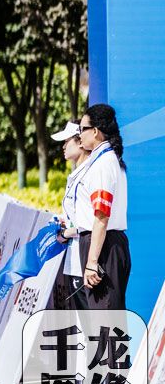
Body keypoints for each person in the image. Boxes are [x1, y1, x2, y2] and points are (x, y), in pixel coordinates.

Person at [67, 103, 131, 310]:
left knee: (106, 323)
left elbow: (101, 216)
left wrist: (92, 262)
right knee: (103, 322)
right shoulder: (102, 160)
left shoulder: (104, 164)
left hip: (104, 248)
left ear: (94, 131)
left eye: (81, 130)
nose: (79, 136)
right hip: (101, 244)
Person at [49, 120, 91, 309]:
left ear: (81, 142)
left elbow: (87, 221)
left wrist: (65, 234)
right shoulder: (75, 175)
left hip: (83, 260)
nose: (63, 146)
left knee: (91, 324)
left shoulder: (88, 174)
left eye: (67, 141)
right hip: (74, 260)